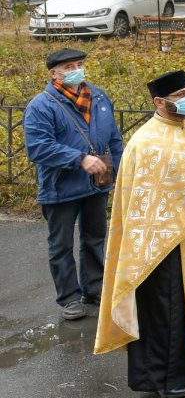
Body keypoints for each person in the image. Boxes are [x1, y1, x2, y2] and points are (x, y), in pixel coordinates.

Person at [93, 70, 185, 398]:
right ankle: (168, 377)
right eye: (180, 94)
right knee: (168, 311)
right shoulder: (147, 142)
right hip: (161, 244)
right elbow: (140, 204)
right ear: (159, 102)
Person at [23, 47, 124, 321]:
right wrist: (79, 159)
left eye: (79, 64)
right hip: (61, 187)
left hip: (96, 184)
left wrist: (119, 167)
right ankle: (69, 297)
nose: (76, 70)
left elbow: (113, 137)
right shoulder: (41, 105)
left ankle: (94, 287)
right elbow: (38, 147)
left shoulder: (99, 97)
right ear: (53, 73)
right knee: (61, 244)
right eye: (69, 67)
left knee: (94, 238)